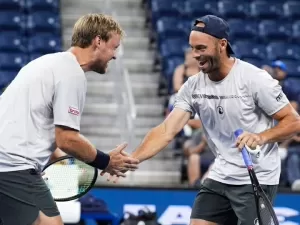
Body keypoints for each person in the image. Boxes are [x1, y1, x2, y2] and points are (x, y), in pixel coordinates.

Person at [108, 15, 300, 225]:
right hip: (221, 174)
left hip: (256, 177)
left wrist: (261, 137)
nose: (195, 55)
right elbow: (166, 130)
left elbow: (293, 122)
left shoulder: (254, 79)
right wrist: (133, 158)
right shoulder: (193, 86)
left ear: (222, 45)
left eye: (201, 48)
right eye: (192, 48)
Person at [0, 14, 139, 225]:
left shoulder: (45, 63)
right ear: (98, 41)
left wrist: (59, 159)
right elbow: (67, 139)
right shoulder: (71, 74)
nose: (115, 56)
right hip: (12, 168)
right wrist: (106, 161)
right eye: (114, 47)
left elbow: (39, 130)